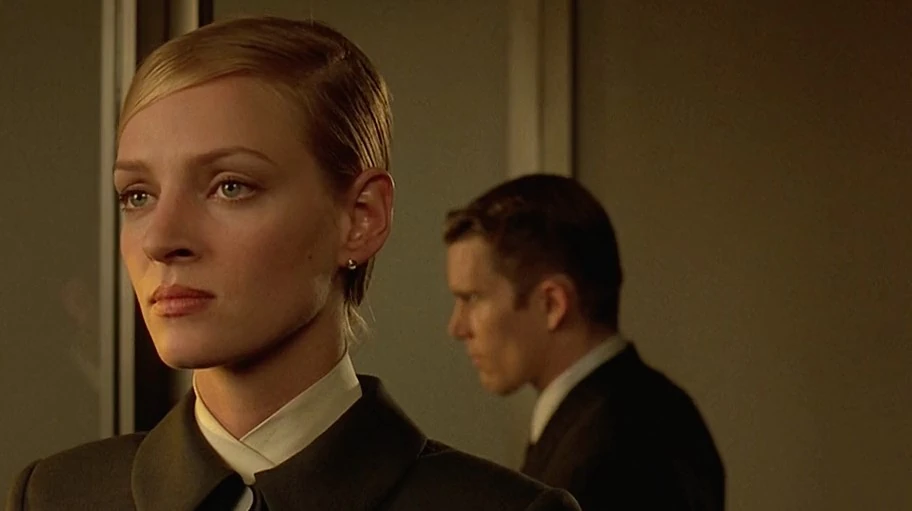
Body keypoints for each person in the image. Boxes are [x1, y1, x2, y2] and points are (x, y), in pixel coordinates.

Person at [5, 17, 580, 511]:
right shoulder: (54, 497)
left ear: (361, 218)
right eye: (137, 195)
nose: (161, 239)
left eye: (231, 186)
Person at [443, 174, 726, 510]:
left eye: (472, 298)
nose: (457, 327)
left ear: (552, 304)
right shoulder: (661, 409)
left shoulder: (605, 456)